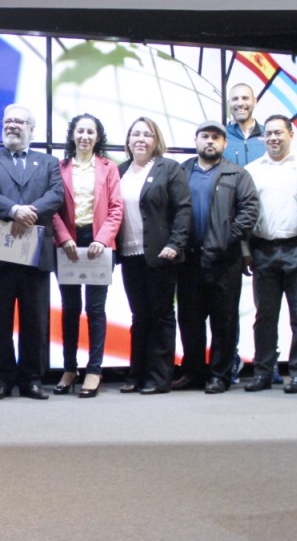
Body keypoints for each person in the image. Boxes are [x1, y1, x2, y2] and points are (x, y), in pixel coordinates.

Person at [0, 104, 63, 400]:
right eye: (7, 120)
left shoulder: (48, 162)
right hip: (0, 252)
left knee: (35, 320)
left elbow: (57, 194)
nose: (12, 125)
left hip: (36, 253)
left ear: (31, 129)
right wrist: (14, 210)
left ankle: (32, 379)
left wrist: (31, 211)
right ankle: (1, 379)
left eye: (19, 121)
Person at [175, 121, 259, 393]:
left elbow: (249, 211)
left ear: (224, 144)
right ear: (196, 140)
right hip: (188, 260)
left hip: (224, 260)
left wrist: (227, 238)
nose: (209, 141)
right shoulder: (182, 171)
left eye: (215, 138)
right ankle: (193, 372)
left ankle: (220, 375)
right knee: (190, 320)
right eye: (204, 137)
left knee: (223, 322)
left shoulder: (237, 174)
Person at [116, 117, 190, 395]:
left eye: (147, 134)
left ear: (156, 140)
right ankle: (137, 375)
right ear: (128, 140)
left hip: (161, 254)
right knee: (139, 316)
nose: (141, 139)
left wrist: (176, 243)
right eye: (135, 134)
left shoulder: (168, 169)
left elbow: (183, 210)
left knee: (161, 316)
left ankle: (159, 378)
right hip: (129, 253)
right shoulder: (120, 170)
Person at [243, 115, 297, 394]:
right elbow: (246, 214)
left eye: (278, 133)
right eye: (269, 134)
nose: (273, 138)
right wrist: (246, 250)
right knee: (265, 316)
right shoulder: (252, 170)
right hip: (263, 250)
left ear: (291, 134)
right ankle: (263, 372)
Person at [52, 114, 123, 398]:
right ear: (72, 135)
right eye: (80, 131)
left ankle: (94, 370)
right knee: (69, 308)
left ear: (97, 137)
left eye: (90, 131)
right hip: (68, 242)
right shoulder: (59, 168)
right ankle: (70, 368)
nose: (84, 136)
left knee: (95, 309)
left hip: (98, 244)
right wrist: (64, 237)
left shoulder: (109, 168)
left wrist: (102, 239)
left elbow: (116, 208)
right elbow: (53, 208)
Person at [225, 83, 268, 383]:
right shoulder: (221, 138)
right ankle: (231, 362)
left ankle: (268, 363)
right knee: (229, 305)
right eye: (235, 99)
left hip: (265, 230)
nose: (240, 103)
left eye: (245, 98)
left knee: (267, 305)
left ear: (255, 101)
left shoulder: (271, 135)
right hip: (230, 232)